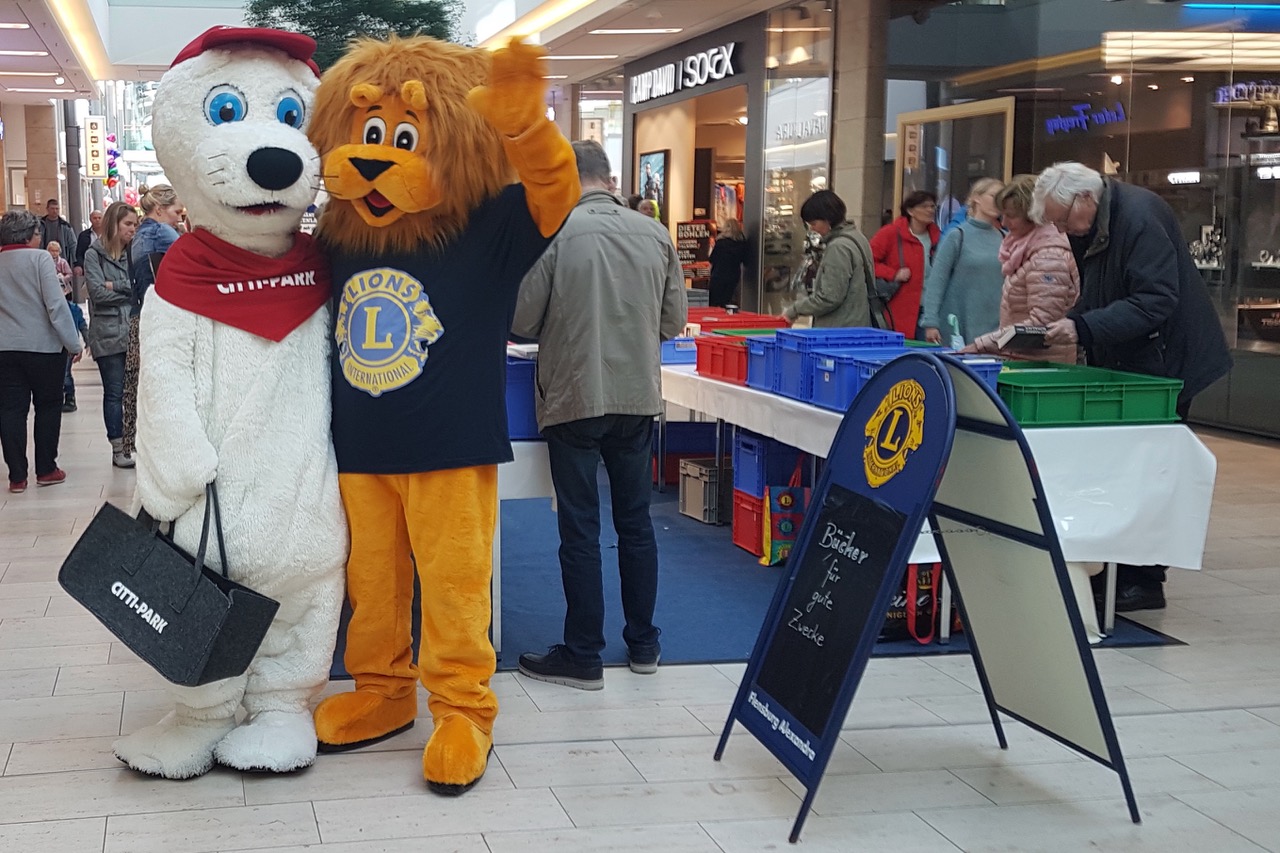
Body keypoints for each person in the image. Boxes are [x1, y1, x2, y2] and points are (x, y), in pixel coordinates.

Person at [512, 140, 686, 690]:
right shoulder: (655, 233)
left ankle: (583, 652)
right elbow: (674, 320)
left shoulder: (556, 236)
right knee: (636, 523)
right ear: (609, 177)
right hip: (638, 396)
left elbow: (521, 319)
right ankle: (644, 644)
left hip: (573, 396)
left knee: (580, 528)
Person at [1034, 161, 1232, 612]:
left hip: (1166, 362)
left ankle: (1144, 581)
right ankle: (1115, 573)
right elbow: (1104, 291)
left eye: (1063, 219)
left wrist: (1083, 328)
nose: (1061, 230)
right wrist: (1070, 324)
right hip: (1132, 358)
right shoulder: (1094, 221)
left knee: (1150, 471)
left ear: (1086, 199)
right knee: (1118, 469)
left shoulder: (1140, 217)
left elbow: (1156, 300)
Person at [0, 210, 82, 492]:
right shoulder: (40, 259)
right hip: (43, 348)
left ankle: (17, 476)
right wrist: (73, 342)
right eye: (37, 234)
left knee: (10, 410)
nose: (39, 238)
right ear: (26, 236)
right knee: (48, 406)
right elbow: (56, 305)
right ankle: (46, 468)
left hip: (5, 349)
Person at [967, 174, 1080, 364]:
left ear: (1033, 216)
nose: (1003, 223)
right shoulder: (1024, 250)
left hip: (1043, 370)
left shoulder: (1048, 257)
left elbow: (1042, 324)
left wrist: (982, 345)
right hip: (1024, 361)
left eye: (1011, 216)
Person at [122, 185, 182, 459]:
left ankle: (136, 444)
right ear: (160, 209)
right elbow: (191, 265)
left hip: (139, 315)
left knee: (138, 384)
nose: (179, 216)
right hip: (163, 316)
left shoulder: (139, 235)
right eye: (176, 211)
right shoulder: (163, 233)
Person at [82, 201, 139, 469]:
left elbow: (143, 286)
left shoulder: (135, 252)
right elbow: (97, 294)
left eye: (135, 224)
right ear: (113, 224)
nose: (133, 229)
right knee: (114, 392)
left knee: (135, 392)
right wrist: (126, 290)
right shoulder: (93, 255)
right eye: (128, 224)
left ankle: (135, 443)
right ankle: (118, 448)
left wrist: (114, 284)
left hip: (134, 330)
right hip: (106, 332)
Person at [920, 177, 1006, 347]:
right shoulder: (957, 235)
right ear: (976, 198)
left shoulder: (1006, 238)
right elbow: (937, 281)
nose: (998, 202)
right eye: (993, 195)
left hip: (996, 330)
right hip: (959, 328)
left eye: (1002, 197)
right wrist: (931, 321)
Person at [780, 190, 875, 328]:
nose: (812, 229)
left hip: (838, 329)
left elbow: (829, 297)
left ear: (828, 219)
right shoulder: (858, 238)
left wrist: (795, 310)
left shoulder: (838, 247)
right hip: (857, 323)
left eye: (813, 223)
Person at [870, 190, 941, 337]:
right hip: (897, 311)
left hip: (929, 312)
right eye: (924, 206)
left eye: (932, 206)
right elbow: (868, 262)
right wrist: (893, 274)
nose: (930, 210)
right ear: (910, 211)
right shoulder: (890, 233)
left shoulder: (939, 236)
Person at [708, 218, 748, 307]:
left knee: (715, 302)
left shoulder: (720, 243)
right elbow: (745, 260)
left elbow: (712, 259)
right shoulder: (741, 244)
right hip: (733, 276)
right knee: (728, 300)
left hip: (718, 275)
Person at [73, 208, 104, 279]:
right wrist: (79, 266)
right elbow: (79, 253)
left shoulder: (109, 235)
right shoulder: (83, 235)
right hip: (89, 269)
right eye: (95, 218)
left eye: (99, 218)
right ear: (90, 219)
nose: (97, 220)